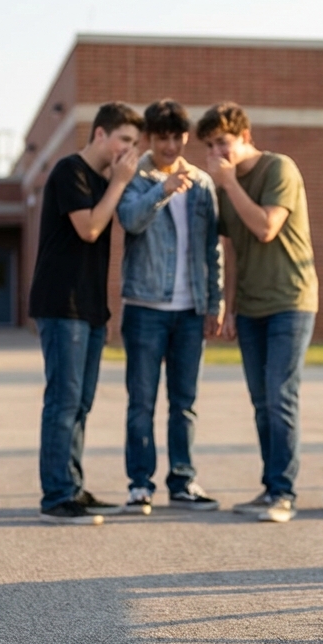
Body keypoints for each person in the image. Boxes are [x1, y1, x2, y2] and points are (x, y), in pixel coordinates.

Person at [197, 101, 318, 524]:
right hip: (249, 308)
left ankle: (283, 494)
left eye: (223, 142)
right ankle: (270, 488)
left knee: (280, 396)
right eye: (210, 146)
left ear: (245, 137)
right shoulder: (222, 185)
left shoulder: (278, 169)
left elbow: (266, 228)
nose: (216, 152)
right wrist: (228, 305)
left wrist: (228, 182)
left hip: (290, 301)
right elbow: (232, 246)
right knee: (261, 401)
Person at [29, 102, 144, 525]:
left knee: (81, 404)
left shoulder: (104, 179)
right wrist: (120, 183)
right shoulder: (70, 171)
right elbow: (91, 228)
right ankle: (56, 496)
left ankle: (73, 486)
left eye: (135, 143)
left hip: (92, 308)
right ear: (100, 134)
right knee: (63, 402)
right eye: (125, 140)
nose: (129, 150)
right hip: (62, 306)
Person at [115, 99, 224, 514]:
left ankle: (182, 482)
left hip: (191, 311)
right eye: (162, 137)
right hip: (145, 306)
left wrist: (215, 302)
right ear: (150, 138)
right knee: (141, 400)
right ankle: (139, 484)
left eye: (178, 137)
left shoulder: (200, 182)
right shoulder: (136, 176)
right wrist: (161, 190)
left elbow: (212, 248)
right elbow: (129, 220)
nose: (170, 145)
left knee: (185, 402)